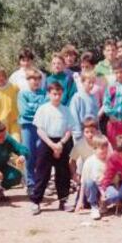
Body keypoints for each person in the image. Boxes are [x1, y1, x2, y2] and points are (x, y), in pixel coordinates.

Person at [30, 82, 76, 215]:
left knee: (63, 173)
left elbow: (69, 130)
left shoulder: (66, 110)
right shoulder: (43, 109)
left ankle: (63, 200)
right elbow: (40, 130)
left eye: (59, 94)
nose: (57, 97)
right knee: (42, 173)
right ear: (49, 94)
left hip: (62, 142)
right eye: (54, 94)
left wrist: (61, 144)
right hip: (47, 142)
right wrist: (51, 145)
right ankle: (36, 201)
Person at [17, 67, 48, 195]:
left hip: (41, 127)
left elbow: (45, 109)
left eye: (38, 79)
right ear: (28, 80)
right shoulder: (22, 94)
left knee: (41, 153)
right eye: (32, 79)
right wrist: (37, 109)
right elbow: (24, 111)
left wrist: (33, 108)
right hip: (28, 127)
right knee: (29, 153)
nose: (35, 81)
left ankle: (40, 181)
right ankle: (30, 182)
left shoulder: (44, 94)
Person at [75, 134, 110, 220]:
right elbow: (83, 183)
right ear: (94, 149)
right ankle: (94, 206)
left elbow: (114, 180)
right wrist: (80, 201)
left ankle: (103, 204)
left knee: (114, 195)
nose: (104, 151)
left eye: (106, 149)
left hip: (105, 188)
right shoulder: (89, 161)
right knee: (89, 182)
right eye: (101, 149)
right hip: (94, 188)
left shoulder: (110, 160)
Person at [69, 71, 99, 141]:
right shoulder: (77, 97)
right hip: (81, 133)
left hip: (92, 132)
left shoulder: (93, 97)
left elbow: (96, 116)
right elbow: (74, 115)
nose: (91, 85)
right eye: (89, 82)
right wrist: (77, 132)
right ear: (82, 82)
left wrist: (97, 129)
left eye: (93, 83)